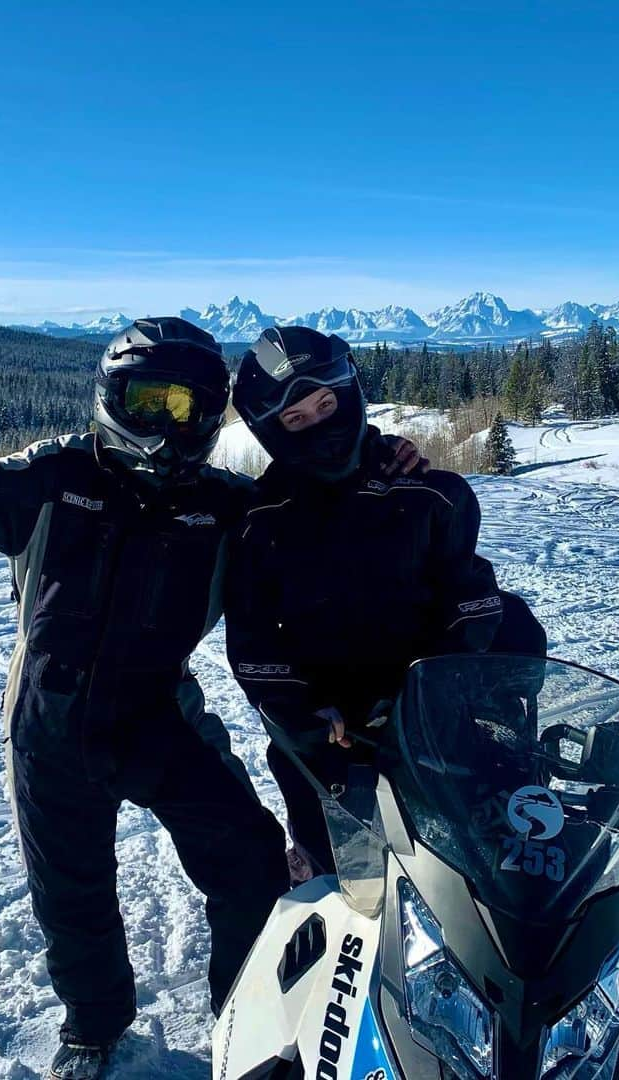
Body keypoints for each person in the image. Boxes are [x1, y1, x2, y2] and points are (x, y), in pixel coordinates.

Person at [0, 316, 424, 1080]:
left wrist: (380, 458)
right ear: (110, 398)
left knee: (252, 861)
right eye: (151, 403)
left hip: (160, 716)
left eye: (193, 408)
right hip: (47, 722)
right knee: (72, 892)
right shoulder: (57, 474)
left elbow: (303, 499)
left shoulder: (225, 505)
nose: (171, 424)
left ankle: (248, 1018)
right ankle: (93, 1028)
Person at [224, 325, 546, 877]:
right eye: (295, 419)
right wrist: (301, 714)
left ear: (350, 392)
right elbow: (252, 641)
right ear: (270, 432)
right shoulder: (259, 521)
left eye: (326, 403)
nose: (320, 425)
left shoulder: (431, 494)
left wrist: (445, 689)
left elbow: (472, 600)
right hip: (330, 734)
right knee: (339, 887)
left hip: (435, 712)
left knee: (511, 864)